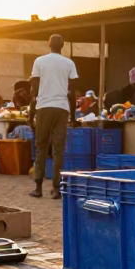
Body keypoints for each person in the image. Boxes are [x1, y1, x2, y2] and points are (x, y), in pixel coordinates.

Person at [28, 33, 78, 198]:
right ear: (62, 45)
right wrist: (74, 115)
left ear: (48, 44)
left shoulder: (39, 61)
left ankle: (38, 187)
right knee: (58, 150)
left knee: (41, 147)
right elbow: (72, 93)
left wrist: (32, 112)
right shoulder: (69, 63)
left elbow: (34, 90)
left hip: (44, 107)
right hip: (61, 109)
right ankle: (57, 189)